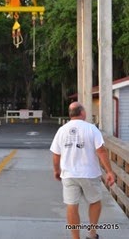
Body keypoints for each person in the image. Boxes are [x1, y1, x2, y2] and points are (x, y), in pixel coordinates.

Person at [50, 101, 115, 239]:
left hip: (68, 175)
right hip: (89, 174)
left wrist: (56, 170)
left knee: (71, 205)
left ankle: (75, 238)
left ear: (70, 114)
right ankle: (92, 234)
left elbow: (56, 154)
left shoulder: (62, 130)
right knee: (95, 201)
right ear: (82, 113)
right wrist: (109, 171)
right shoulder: (91, 129)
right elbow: (101, 151)